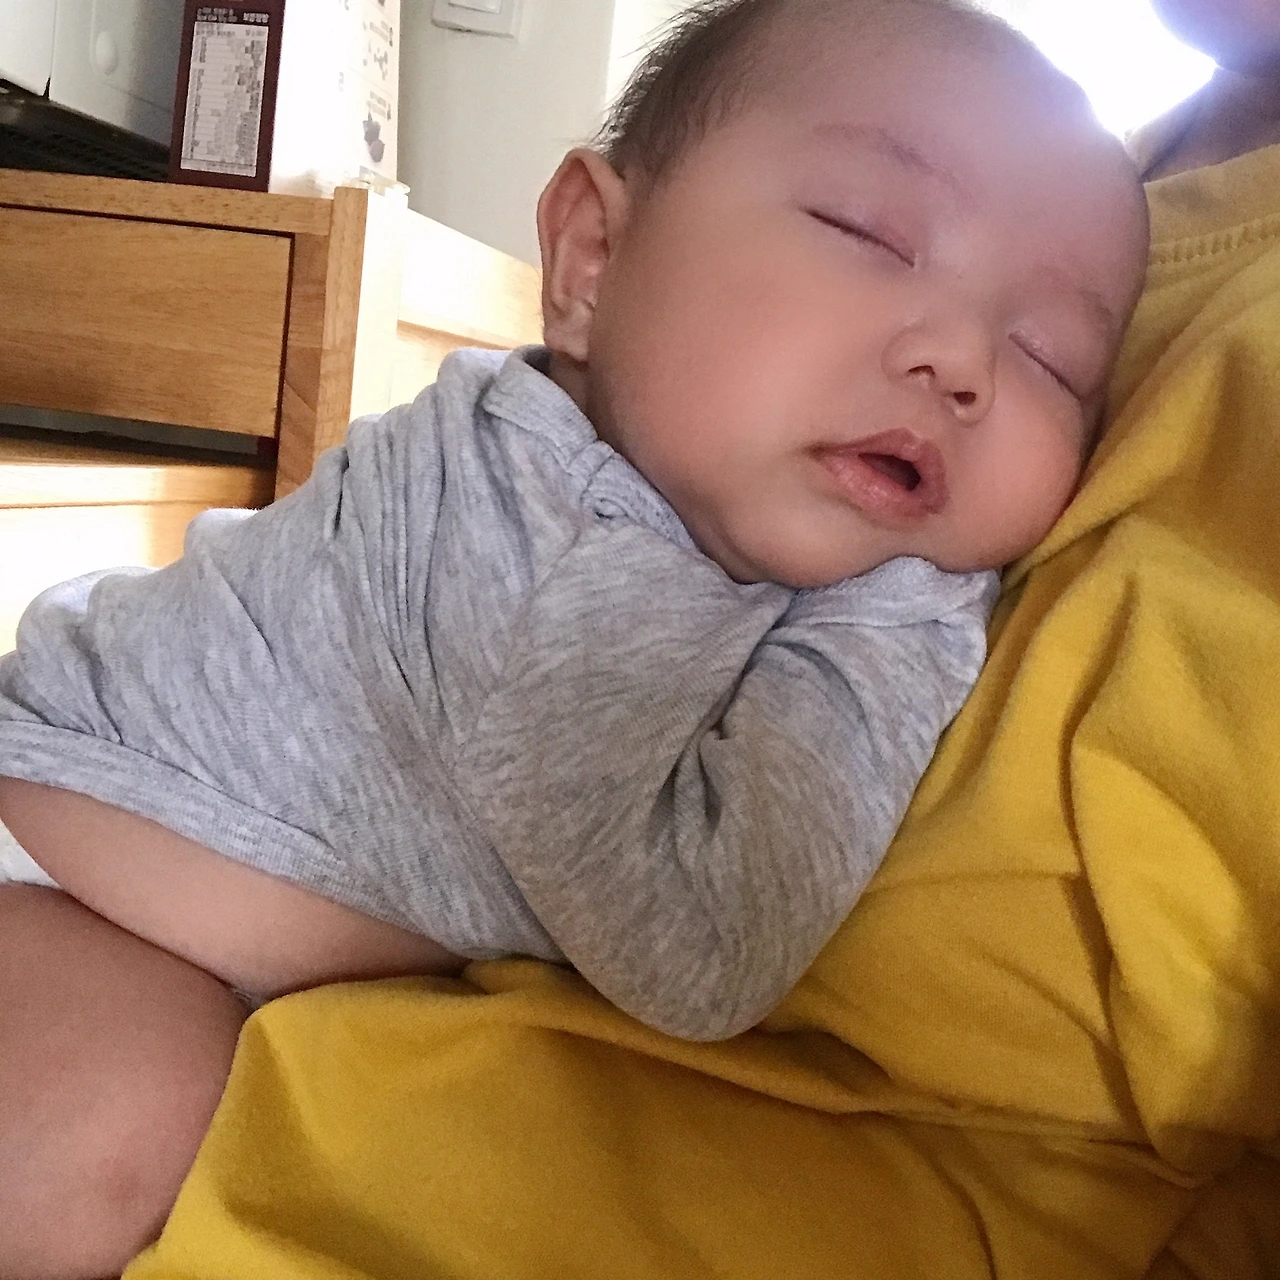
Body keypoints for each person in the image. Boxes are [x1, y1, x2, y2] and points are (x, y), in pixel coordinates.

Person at [0, 0, 1149, 1274]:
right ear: (593, 260)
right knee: (107, 1131)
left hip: (174, 897)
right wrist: (907, 609)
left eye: (1048, 357)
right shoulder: (550, 534)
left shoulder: (685, 503)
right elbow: (700, 948)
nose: (962, 360)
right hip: (69, 875)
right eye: (866, 232)